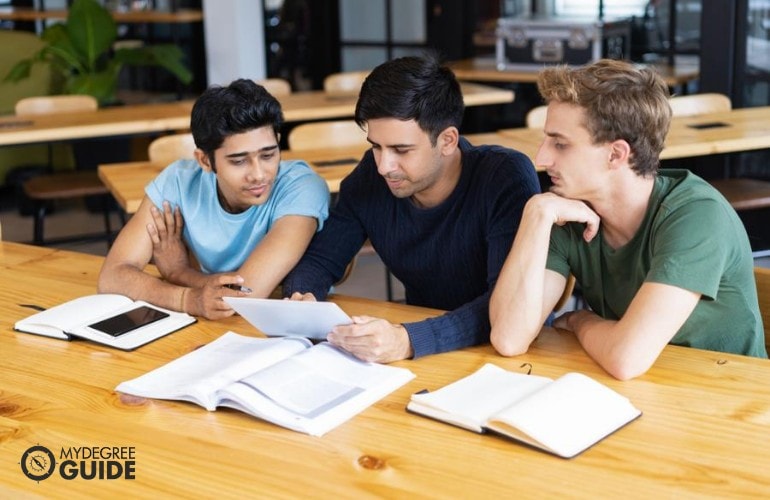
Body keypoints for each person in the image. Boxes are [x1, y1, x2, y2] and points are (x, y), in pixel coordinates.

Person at [489, 59, 767, 380]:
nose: (541, 158)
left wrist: (581, 321)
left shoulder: (696, 215)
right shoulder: (568, 210)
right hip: (648, 391)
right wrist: (535, 216)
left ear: (616, 154)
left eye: (560, 144)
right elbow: (509, 339)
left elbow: (626, 359)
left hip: (730, 399)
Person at [282, 54, 540, 363]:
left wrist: (407, 340)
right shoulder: (371, 177)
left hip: (512, 355)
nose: (383, 166)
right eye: (375, 146)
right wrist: (303, 297)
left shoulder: (504, 177)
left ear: (447, 140)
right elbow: (321, 259)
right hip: (430, 346)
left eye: (401, 150)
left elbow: (506, 306)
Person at [98, 79, 329, 319]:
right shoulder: (178, 182)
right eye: (239, 161)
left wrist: (179, 274)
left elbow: (242, 298)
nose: (259, 174)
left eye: (268, 155)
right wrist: (186, 299)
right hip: (208, 326)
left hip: (285, 324)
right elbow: (111, 277)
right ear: (205, 161)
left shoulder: (303, 187)